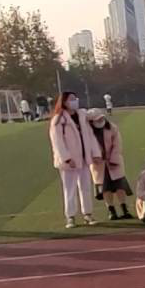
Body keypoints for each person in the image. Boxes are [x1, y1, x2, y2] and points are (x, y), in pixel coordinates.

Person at [49, 91, 102, 228]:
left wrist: (95, 153)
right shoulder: (59, 119)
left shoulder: (82, 115)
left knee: (86, 187)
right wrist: (66, 158)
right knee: (70, 189)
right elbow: (57, 142)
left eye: (75, 98)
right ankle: (70, 216)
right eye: (71, 99)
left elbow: (90, 135)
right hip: (70, 161)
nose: (75, 101)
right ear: (64, 102)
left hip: (84, 158)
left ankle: (88, 214)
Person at [86, 109, 133, 221]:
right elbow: (87, 148)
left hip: (113, 161)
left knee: (120, 186)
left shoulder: (112, 127)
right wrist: (94, 158)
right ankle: (111, 210)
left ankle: (124, 208)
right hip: (99, 164)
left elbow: (117, 144)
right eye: (97, 120)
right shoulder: (88, 132)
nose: (100, 121)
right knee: (105, 187)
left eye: (101, 118)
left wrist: (113, 159)